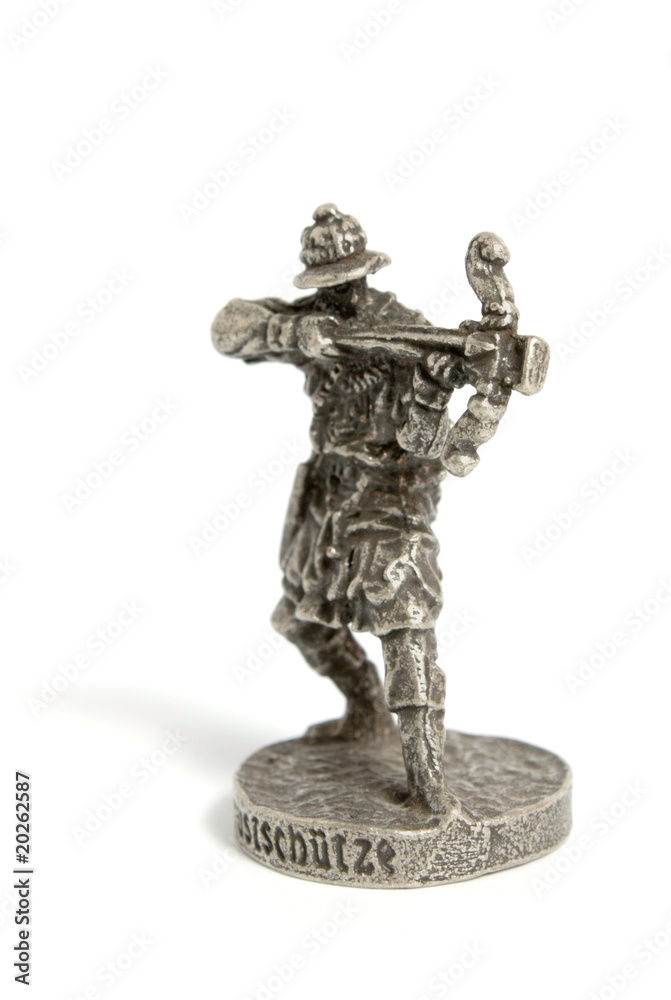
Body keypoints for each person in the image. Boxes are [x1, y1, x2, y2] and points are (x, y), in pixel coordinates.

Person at [212, 203, 471, 814]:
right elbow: (227, 328)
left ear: (365, 272)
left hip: (390, 493)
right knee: (301, 620)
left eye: (346, 281)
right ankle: (366, 711)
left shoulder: (405, 331)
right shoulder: (314, 320)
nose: (338, 294)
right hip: (328, 491)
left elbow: (427, 444)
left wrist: (433, 392)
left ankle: (427, 784)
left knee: (404, 619)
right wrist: (293, 334)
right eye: (327, 285)